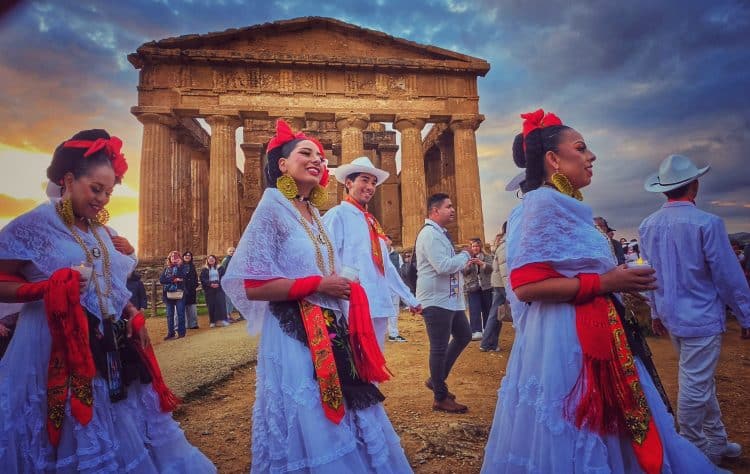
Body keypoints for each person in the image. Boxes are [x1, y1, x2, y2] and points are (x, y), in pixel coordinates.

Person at [481, 109, 719, 473]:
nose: (591, 156)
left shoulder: (565, 204)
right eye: (581, 148)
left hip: (591, 326)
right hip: (565, 338)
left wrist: (618, 281)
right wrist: (607, 282)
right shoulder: (542, 204)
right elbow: (526, 285)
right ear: (553, 159)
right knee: (579, 424)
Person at [0, 129, 214, 472]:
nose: (102, 199)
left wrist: (132, 312)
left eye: (109, 193)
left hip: (105, 342)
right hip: (50, 342)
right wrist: (44, 289)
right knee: (63, 432)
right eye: (96, 188)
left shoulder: (102, 232)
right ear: (68, 180)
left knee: (117, 422)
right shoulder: (34, 225)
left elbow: (107, 287)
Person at [221, 119, 411, 473]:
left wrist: (344, 284)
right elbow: (251, 286)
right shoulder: (272, 206)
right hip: (294, 331)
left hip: (331, 325)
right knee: (312, 413)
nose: (317, 161)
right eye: (306, 153)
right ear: (283, 164)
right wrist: (318, 285)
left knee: (350, 404)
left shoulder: (313, 213)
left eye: (321, 157)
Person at [639, 153, 750, 464]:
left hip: (672, 315)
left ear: (664, 189)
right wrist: (745, 315)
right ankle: (694, 451)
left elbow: (649, 275)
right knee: (695, 384)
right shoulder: (708, 223)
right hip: (701, 317)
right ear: (695, 185)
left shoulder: (648, 225)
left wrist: (656, 312)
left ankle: (715, 440)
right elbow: (727, 275)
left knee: (700, 381)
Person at [322, 156, 421, 349]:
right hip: (351, 306)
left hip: (377, 304)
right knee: (352, 362)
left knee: (375, 362)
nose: (370, 187)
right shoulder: (337, 215)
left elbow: (386, 268)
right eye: (365, 180)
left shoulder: (372, 222)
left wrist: (410, 299)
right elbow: (325, 259)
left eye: (374, 183)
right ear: (349, 183)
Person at [416, 192, 472, 414]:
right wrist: (465, 255)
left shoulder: (440, 234)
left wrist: (462, 263)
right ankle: (440, 397)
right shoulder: (430, 234)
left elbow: (448, 265)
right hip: (435, 300)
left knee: (464, 335)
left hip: (450, 299)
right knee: (438, 348)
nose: (453, 209)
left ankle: (436, 380)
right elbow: (442, 266)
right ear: (435, 211)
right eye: (448, 206)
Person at [480, 223, 508, 352]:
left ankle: (488, 343)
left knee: (495, 313)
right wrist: (509, 289)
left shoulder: (502, 243)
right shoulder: (506, 244)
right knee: (514, 311)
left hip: (498, 283)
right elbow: (504, 268)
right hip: (503, 283)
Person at [462, 237, 493, 341]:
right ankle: (476, 331)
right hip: (472, 286)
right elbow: (464, 272)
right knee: (474, 308)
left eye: (477, 246)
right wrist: (468, 265)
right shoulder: (466, 258)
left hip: (486, 286)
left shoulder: (487, 256)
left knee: (487, 308)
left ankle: (487, 329)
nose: (475, 248)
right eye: (473, 246)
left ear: (480, 247)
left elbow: (491, 269)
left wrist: (481, 263)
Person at [159, 250, 188, 340]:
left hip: (180, 293)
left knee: (180, 313)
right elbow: (162, 280)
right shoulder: (166, 269)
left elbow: (183, 276)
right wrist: (174, 280)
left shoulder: (183, 267)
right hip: (168, 294)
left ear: (179, 258)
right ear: (169, 259)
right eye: (172, 256)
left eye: (176, 256)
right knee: (169, 315)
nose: (174, 258)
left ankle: (181, 333)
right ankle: (171, 333)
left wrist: (179, 266)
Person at [385, 235, 408, 342]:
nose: (385, 241)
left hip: (394, 287)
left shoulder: (397, 256)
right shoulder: (377, 254)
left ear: (391, 241)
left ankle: (393, 333)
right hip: (382, 286)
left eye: (386, 239)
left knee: (394, 309)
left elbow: (400, 270)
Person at [200, 255, 229, 328]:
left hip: (219, 287)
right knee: (211, 305)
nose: (211, 260)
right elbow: (203, 279)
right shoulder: (204, 269)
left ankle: (223, 320)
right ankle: (212, 321)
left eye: (212, 258)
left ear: (215, 259)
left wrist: (218, 283)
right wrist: (210, 284)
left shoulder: (220, 268)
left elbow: (224, 276)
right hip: (209, 288)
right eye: (209, 259)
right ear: (207, 260)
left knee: (221, 304)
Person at [220, 246, 242, 321]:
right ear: (227, 252)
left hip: (235, 282)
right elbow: (222, 271)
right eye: (230, 251)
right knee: (228, 300)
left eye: (233, 251)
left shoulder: (236, 259)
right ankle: (227, 315)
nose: (232, 252)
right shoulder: (226, 260)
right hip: (229, 282)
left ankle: (230, 315)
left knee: (234, 299)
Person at [183, 250, 199, 329]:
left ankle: (193, 324)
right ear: (183, 257)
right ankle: (185, 324)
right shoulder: (180, 266)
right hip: (183, 289)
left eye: (189, 255)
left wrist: (195, 285)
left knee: (192, 307)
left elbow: (195, 277)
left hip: (191, 289)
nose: (187, 257)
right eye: (186, 255)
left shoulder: (192, 266)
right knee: (183, 307)